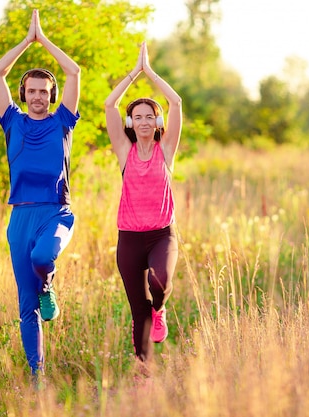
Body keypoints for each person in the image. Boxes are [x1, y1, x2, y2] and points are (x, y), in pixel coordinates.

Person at [0, 9, 81, 379]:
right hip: (20, 217)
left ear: (52, 94)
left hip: (56, 213)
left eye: (45, 91)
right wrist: (25, 43)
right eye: (33, 90)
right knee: (26, 307)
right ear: (24, 93)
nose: (39, 95)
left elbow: (74, 72)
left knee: (45, 256)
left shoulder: (63, 121)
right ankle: (37, 378)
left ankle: (48, 285)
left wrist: (43, 39)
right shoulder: (12, 121)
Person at [104, 42, 182, 365]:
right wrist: (133, 74)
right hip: (130, 238)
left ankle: (160, 309)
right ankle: (143, 372)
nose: (145, 121)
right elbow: (110, 104)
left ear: (157, 121)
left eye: (150, 116)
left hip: (162, 234)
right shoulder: (125, 151)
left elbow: (176, 101)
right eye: (138, 117)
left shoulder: (166, 151)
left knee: (159, 282)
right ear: (130, 123)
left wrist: (150, 72)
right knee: (138, 310)